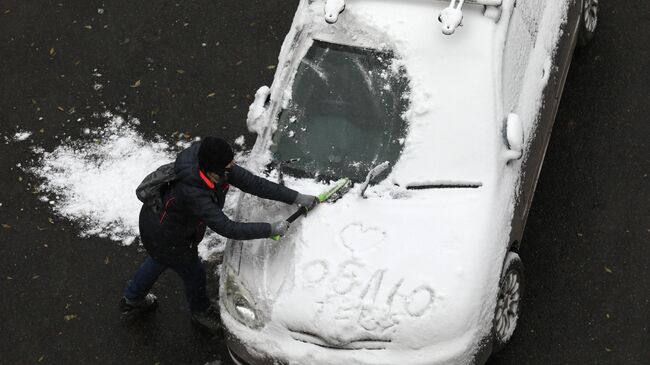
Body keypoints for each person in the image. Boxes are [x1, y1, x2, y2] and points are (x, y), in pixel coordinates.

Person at [119, 137, 318, 333]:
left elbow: (253, 183)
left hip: (161, 223)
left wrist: (296, 197)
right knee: (194, 274)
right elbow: (227, 228)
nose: (233, 166)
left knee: (158, 260)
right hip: (167, 235)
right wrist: (270, 229)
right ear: (213, 170)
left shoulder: (210, 161)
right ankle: (200, 312)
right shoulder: (194, 192)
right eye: (228, 165)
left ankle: (132, 298)